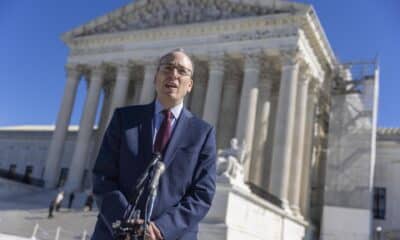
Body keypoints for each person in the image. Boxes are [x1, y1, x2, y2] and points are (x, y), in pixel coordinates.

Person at [92, 49, 217, 240]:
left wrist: (162, 229)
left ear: (190, 85)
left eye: (182, 71)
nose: (173, 75)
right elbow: (103, 176)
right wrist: (128, 221)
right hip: (116, 233)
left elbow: (202, 193)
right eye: (167, 68)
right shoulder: (124, 119)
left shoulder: (203, 133)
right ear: (155, 77)